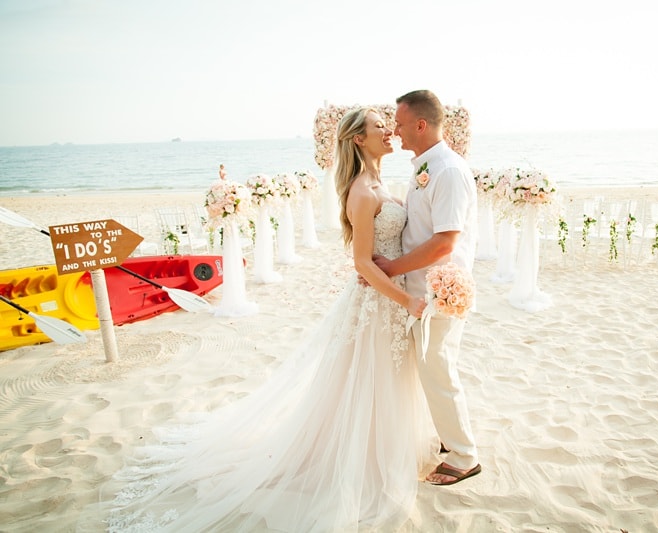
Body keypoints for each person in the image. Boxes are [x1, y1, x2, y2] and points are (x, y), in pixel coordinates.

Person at [82, 108, 439, 532]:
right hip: (378, 302)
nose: (389, 131)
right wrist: (405, 299)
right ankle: (360, 463)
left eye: (388, 123)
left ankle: (385, 454)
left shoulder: (383, 182)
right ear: (359, 140)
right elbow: (362, 263)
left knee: (388, 382)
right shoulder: (362, 191)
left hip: (389, 301)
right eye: (379, 126)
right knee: (367, 382)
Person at [374, 89, 481, 486]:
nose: (395, 132)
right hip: (421, 289)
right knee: (431, 368)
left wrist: (391, 267)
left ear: (421, 124)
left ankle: (465, 456)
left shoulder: (449, 171)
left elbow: (445, 242)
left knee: (438, 369)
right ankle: (449, 438)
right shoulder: (426, 167)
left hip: (441, 291)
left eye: (400, 124)